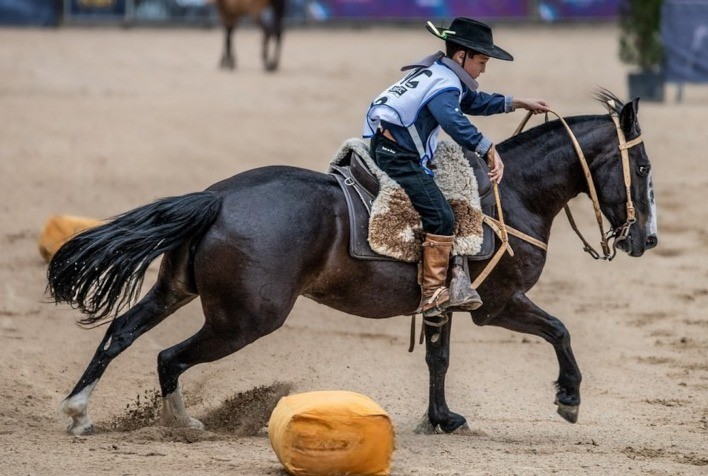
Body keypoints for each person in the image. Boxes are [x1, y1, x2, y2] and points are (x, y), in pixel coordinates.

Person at [363, 17, 550, 318]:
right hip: (398, 155)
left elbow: (471, 102)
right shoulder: (446, 85)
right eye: (481, 61)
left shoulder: (438, 73)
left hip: (388, 144)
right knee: (441, 216)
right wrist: (487, 148)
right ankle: (434, 293)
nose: (483, 69)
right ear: (460, 55)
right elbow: (452, 121)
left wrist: (517, 102)